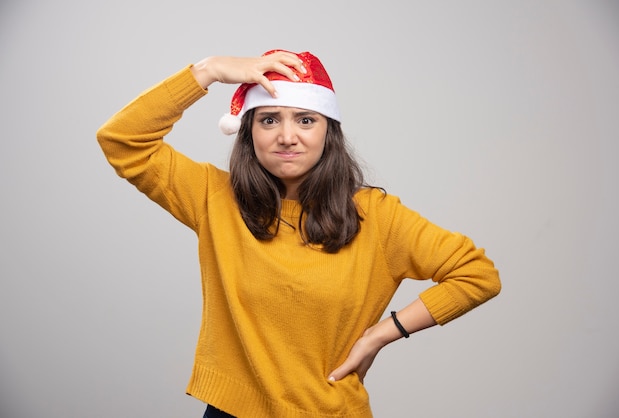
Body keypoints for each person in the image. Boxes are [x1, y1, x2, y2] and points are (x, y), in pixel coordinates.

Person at [97, 49, 501, 418]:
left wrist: (381, 334)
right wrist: (210, 70)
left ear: (329, 130)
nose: (286, 136)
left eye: (305, 120)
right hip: (230, 412)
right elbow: (122, 141)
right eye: (269, 119)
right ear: (248, 130)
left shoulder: (377, 217)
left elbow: (477, 274)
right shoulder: (213, 198)